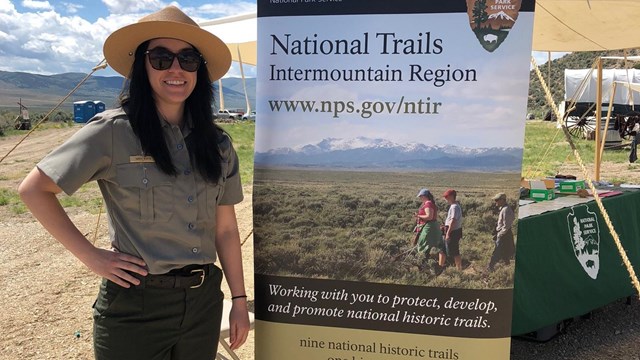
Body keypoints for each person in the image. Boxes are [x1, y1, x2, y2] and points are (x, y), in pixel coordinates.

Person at [18, 6, 249, 359]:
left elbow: (226, 232)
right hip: (136, 307)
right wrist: (93, 257)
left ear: (199, 71)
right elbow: (34, 190)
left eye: (188, 59)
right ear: (142, 66)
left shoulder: (217, 144)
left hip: (203, 303)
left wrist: (237, 299)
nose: (176, 69)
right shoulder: (112, 131)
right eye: (161, 57)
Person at [413, 188, 445, 274]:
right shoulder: (431, 204)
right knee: (428, 246)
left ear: (424, 196)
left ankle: (423, 268)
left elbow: (429, 216)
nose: (420, 198)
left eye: (421, 196)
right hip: (432, 226)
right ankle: (429, 267)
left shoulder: (428, 204)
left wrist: (419, 216)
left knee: (423, 246)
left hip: (429, 227)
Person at [488, 192, 516, 272]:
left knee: (497, 251)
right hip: (505, 233)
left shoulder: (506, 210)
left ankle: (490, 267)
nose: (495, 202)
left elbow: (506, 225)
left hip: (504, 234)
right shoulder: (504, 209)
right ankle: (507, 268)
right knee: (504, 252)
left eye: (497, 200)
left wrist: (499, 234)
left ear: (503, 200)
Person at [443, 189, 463, 271]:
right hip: (455, 230)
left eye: (447, 197)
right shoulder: (455, 206)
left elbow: (453, 221)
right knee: (452, 250)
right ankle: (458, 268)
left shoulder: (454, 207)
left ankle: (459, 268)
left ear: (451, 196)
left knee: (454, 251)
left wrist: (448, 233)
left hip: (453, 231)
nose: (445, 199)